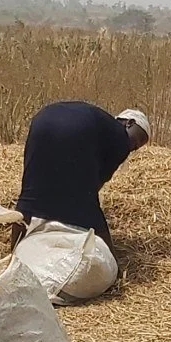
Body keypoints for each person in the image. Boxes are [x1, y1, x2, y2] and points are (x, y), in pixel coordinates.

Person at [14, 100, 150, 251]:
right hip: (73, 127)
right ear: (129, 123)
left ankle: (12, 254)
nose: (132, 148)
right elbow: (95, 184)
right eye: (137, 141)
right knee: (88, 207)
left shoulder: (101, 127)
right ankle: (115, 266)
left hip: (42, 121)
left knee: (30, 195)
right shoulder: (120, 136)